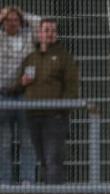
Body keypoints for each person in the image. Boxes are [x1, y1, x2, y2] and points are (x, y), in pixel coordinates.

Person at [17, 17, 77, 184]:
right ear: (40, 33)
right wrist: (21, 83)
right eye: (46, 30)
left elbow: (72, 88)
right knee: (42, 158)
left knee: (53, 158)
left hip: (55, 118)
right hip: (34, 116)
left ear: (57, 34)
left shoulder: (64, 58)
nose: (49, 34)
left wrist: (61, 110)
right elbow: (18, 85)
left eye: (53, 30)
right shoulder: (31, 58)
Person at [0, 5, 38, 185]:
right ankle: (4, 182)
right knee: (4, 142)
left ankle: (27, 181)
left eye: (16, 20)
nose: (12, 23)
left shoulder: (28, 37)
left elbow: (40, 24)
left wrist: (24, 14)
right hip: (3, 94)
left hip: (24, 94)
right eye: (8, 20)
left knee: (27, 140)